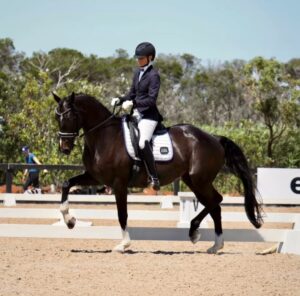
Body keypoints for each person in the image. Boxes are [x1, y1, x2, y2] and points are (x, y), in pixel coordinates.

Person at [111, 42, 163, 191]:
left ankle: (154, 177)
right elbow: (132, 93)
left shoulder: (154, 76)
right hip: (136, 114)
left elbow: (151, 100)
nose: (138, 60)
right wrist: (121, 99)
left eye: (141, 58)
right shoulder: (137, 73)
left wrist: (133, 103)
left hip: (148, 116)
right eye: (137, 58)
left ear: (150, 58)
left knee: (142, 143)